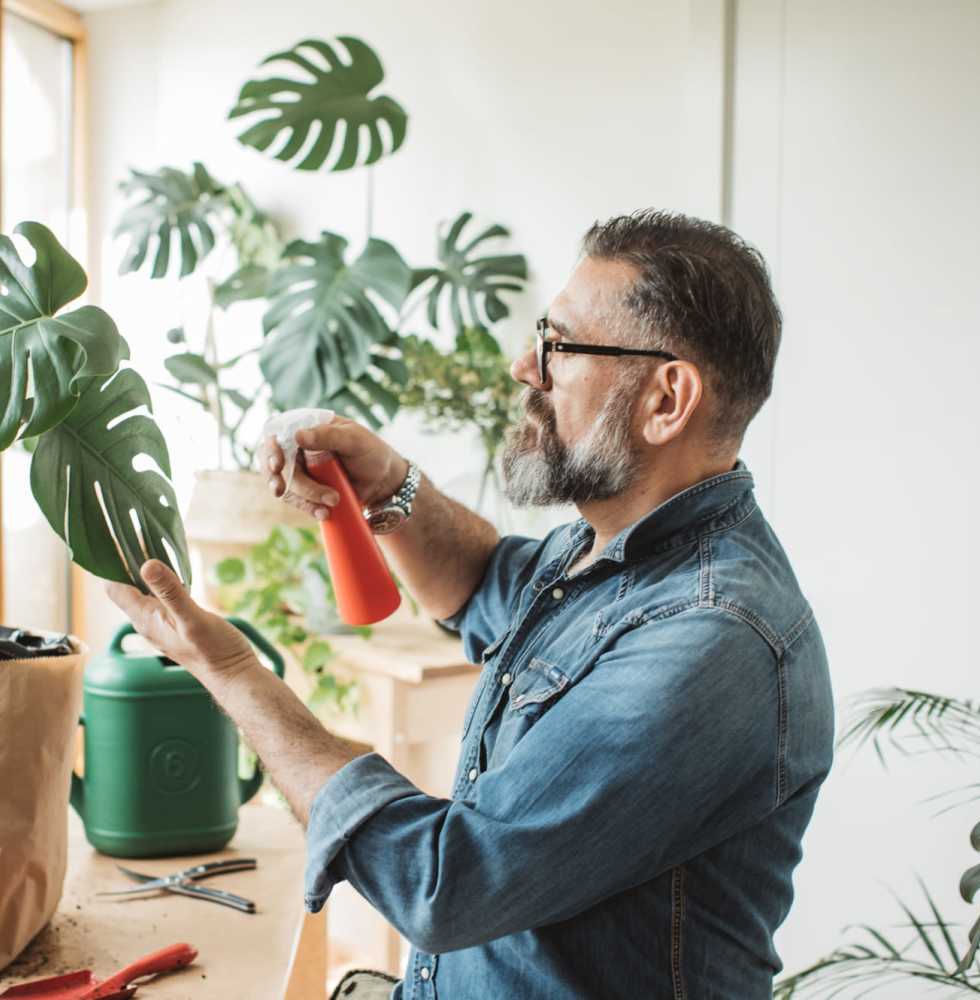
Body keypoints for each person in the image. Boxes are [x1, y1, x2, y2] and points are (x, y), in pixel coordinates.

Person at [107, 209, 834, 1000]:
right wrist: (389, 486)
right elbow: (484, 581)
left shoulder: (708, 639)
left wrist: (229, 668)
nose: (527, 366)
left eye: (560, 345)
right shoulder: (605, 551)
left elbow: (446, 882)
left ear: (667, 399)